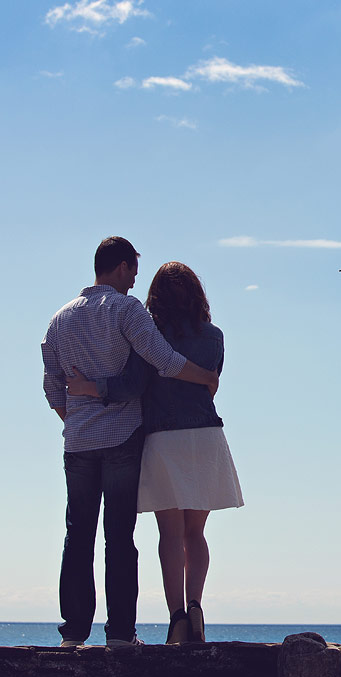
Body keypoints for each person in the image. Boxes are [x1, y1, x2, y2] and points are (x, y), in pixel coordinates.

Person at [41, 237, 221, 648]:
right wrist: (207, 378)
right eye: (133, 272)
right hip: (122, 436)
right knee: (119, 536)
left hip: (79, 442)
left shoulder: (59, 319)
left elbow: (52, 387)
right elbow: (165, 362)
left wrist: (76, 419)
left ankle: (73, 635)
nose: (135, 282)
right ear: (121, 267)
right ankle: (121, 635)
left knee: (77, 535)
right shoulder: (126, 309)